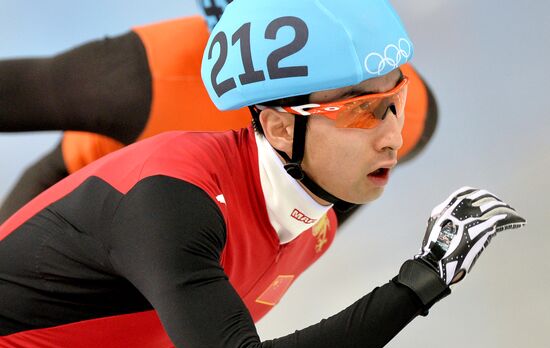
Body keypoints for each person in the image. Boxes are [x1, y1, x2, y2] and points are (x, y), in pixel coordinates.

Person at [0, 0, 524, 348]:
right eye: (364, 112)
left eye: (396, 103)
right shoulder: (145, 90)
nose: (391, 136)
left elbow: (187, 347)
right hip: (114, 225)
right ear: (276, 125)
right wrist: (422, 280)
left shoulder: (331, 179)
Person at [0, 0, 437, 224]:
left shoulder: (403, 104)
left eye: (373, 106)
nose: (389, 133)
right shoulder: (138, 80)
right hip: (79, 201)